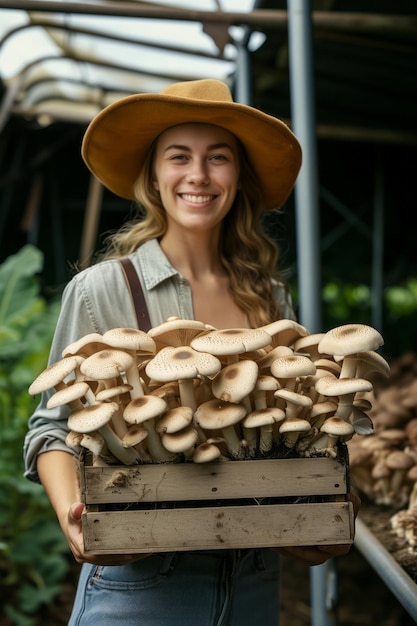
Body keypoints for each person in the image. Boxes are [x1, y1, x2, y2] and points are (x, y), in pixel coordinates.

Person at [24, 78, 359, 625]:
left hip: (254, 582)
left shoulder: (271, 299)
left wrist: (322, 503)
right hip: (141, 587)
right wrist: (72, 515)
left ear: (238, 177)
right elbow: (53, 428)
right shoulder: (102, 290)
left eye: (218, 158)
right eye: (179, 157)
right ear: (154, 176)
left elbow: (299, 436)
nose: (198, 175)